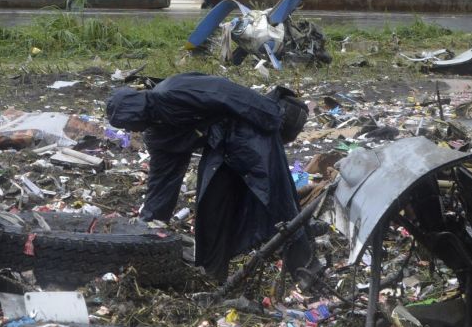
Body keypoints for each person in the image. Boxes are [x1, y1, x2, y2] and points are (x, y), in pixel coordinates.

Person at [105, 74, 317, 281]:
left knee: (274, 198)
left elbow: (225, 92)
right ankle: (214, 277)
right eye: (130, 126)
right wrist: (151, 222)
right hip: (220, 146)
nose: (133, 128)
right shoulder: (157, 134)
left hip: (249, 128)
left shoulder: (174, 91)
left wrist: (271, 114)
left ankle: (307, 271)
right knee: (211, 208)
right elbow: (163, 178)